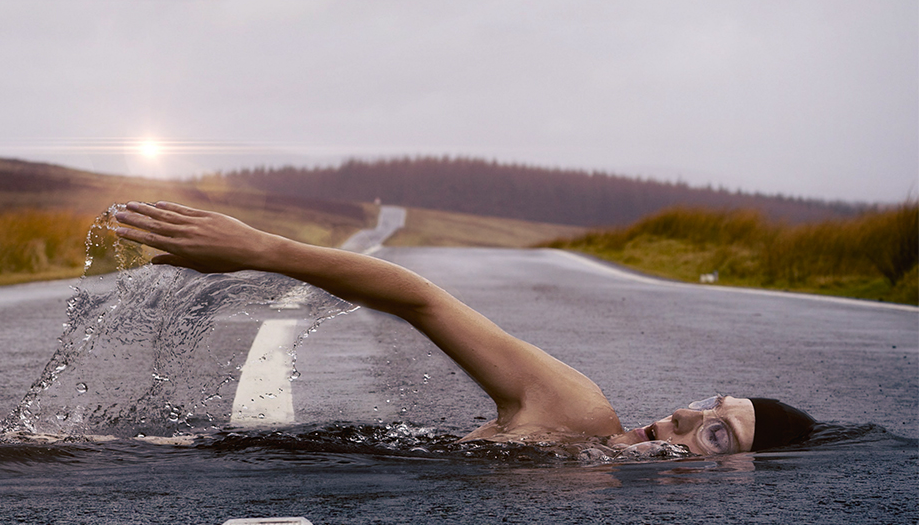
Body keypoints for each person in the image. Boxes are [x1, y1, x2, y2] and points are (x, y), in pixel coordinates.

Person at [111, 201, 816, 456]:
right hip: (200, 456)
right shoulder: (576, 416)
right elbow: (425, 301)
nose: (687, 413)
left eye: (717, 434)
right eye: (709, 406)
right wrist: (261, 250)